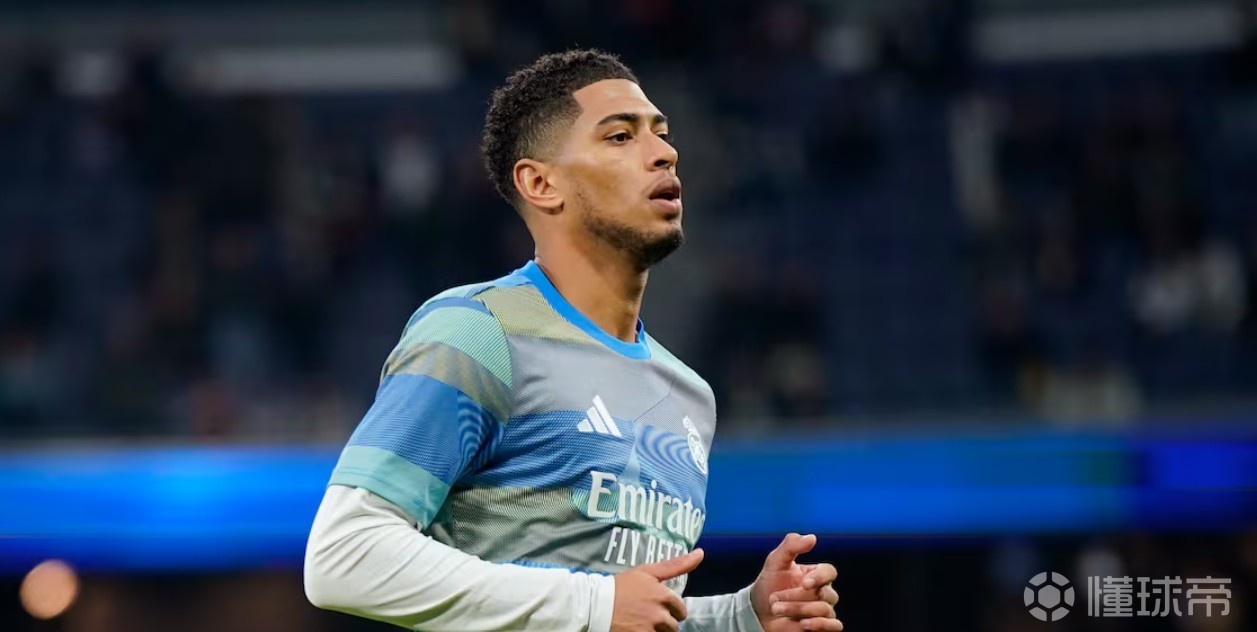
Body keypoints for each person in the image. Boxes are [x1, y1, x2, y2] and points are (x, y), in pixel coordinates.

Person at [304, 49, 842, 632]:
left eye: (661, 134)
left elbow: (626, 612)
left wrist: (740, 617)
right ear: (541, 183)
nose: (664, 153)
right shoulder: (479, 332)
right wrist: (595, 605)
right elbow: (343, 555)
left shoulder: (690, 395)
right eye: (620, 137)